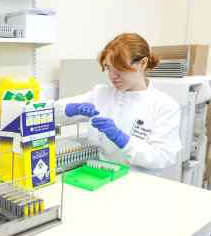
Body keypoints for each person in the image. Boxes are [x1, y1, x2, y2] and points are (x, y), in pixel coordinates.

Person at [55, 33, 181, 175]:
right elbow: (49, 114)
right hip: (100, 176)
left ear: (142, 63)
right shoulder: (100, 94)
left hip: (139, 184)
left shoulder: (165, 106)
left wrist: (123, 140)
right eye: (108, 68)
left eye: (120, 68)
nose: (112, 76)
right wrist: (70, 109)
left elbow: (161, 157)